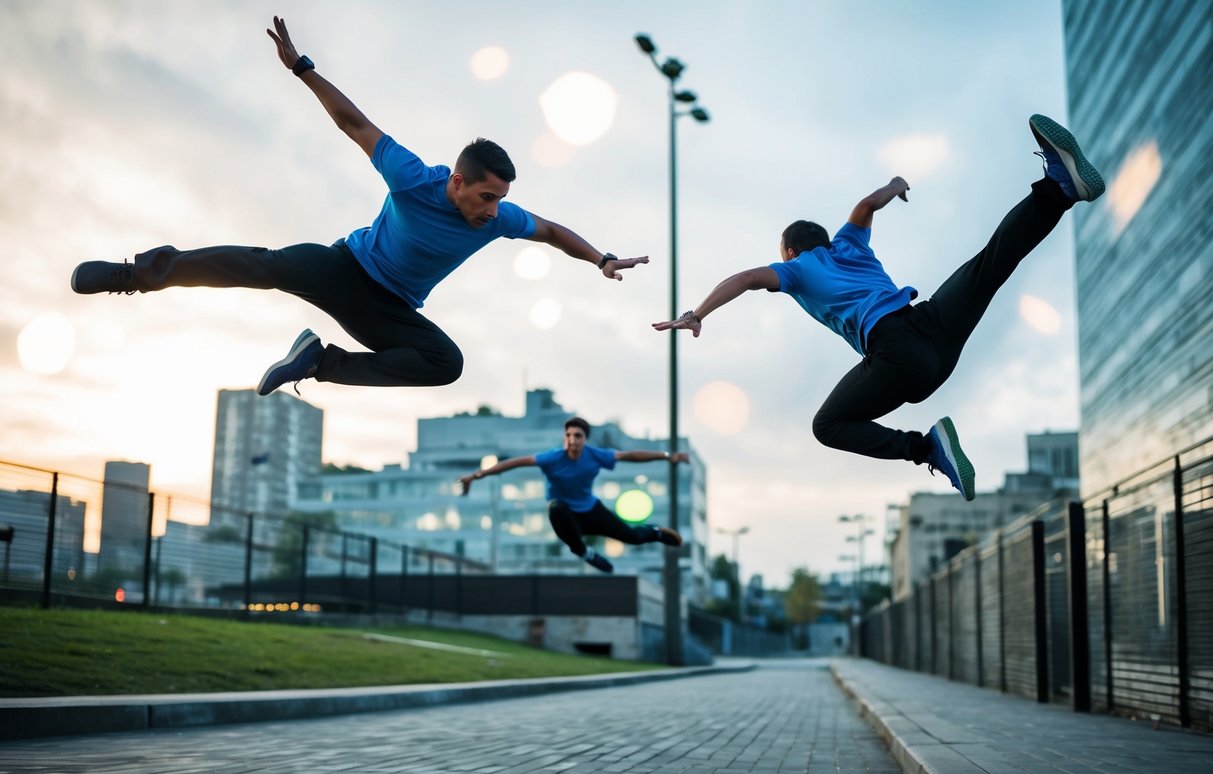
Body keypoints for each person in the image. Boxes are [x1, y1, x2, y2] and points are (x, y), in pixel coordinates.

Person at [71, 16, 648, 396]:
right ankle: (134, 274)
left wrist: (600, 259)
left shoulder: (501, 221)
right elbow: (354, 122)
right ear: (457, 182)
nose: (495, 211)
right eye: (487, 197)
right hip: (343, 266)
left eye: (501, 201)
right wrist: (303, 68)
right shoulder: (413, 177)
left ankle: (318, 362)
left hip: (388, 308)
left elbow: (549, 229)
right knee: (263, 265)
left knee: (445, 364)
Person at [654, 114, 1104, 501]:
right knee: (991, 263)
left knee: (827, 426)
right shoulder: (850, 243)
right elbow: (867, 204)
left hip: (903, 358)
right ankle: (1058, 191)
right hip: (932, 326)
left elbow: (748, 279)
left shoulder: (794, 270)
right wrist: (896, 183)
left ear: (789, 251)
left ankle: (926, 448)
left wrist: (698, 312)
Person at [457, 417, 689, 573]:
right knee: (556, 507)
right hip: (567, 518)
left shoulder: (595, 455)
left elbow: (631, 455)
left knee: (632, 536)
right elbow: (514, 463)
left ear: (585, 439)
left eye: (577, 436)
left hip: (591, 511)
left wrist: (668, 456)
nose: (572, 441)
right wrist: (475, 476)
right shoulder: (552, 458)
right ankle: (584, 552)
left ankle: (656, 533)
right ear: (564, 438)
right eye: (568, 436)